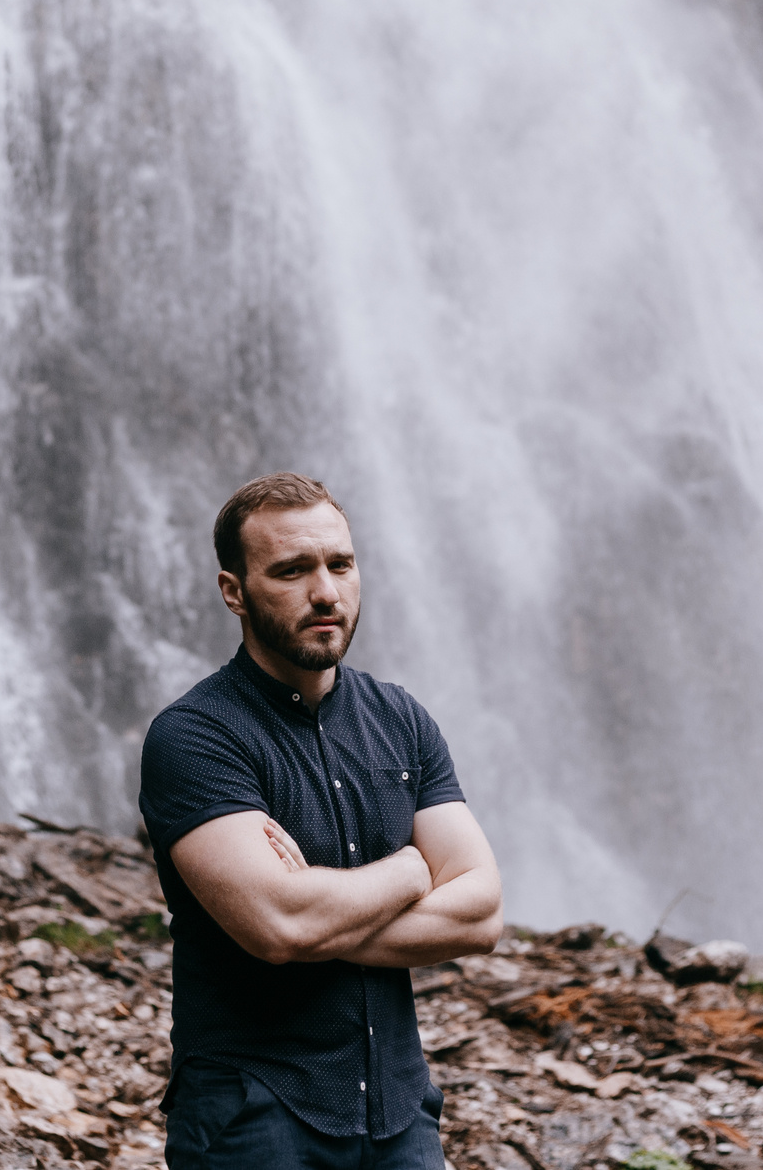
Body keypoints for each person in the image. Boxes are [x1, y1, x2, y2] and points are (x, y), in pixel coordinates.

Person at [139, 472, 505, 1169]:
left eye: (340, 563)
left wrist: (323, 917)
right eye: (291, 570)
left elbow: (480, 912)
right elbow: (280, 926)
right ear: (233, 591)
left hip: (402, 1118)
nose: (326, 592)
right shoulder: (193, 737)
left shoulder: (402, 719)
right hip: (253, 1118)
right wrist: (410, 868)